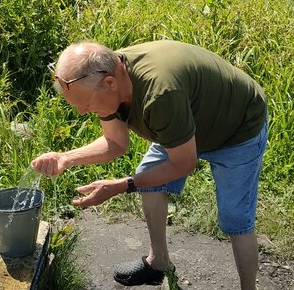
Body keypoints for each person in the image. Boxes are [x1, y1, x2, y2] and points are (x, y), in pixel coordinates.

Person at [31, 39, 268, 289]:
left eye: (86, 104)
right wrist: (66, 158)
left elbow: (184, 163)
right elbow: (115, 142)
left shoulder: (159, 93)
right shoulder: (106, 77)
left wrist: (123, 185)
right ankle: (159, 263)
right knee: (148, 177)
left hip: (236, 129)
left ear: (110, 83)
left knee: (235, 219)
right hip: (182, 124)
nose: (82, 111)